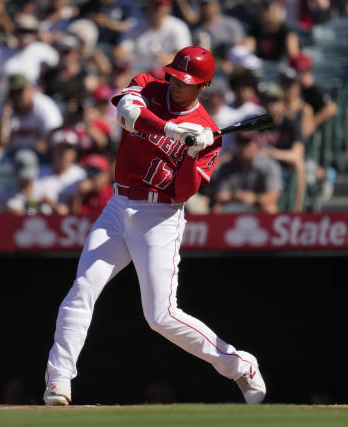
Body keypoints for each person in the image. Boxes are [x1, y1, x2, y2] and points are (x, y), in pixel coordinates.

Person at [43, 46, 266, 406]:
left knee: (160, 316)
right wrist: (173, 131)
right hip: (118, 205)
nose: (176, 84)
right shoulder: (148, 85)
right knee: (81, 290)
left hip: (159, 216)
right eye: (175, 76)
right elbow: (128, 115)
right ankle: (59, 381)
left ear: (203, 86)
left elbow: (182, 192)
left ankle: (240, 365)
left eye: (186, 81)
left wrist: (193, 155)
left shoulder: (211, 132)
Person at [0, 74, 63, 157]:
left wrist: (41, 145)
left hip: (38, 155)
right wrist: (4, 118)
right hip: (11, 154)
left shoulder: (44, 106)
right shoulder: (3, 108)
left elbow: (54, 136)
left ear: (29, 90)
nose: (17, 96)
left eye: (20, 92)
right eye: (13, 92)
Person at [113, 0, 191, 74]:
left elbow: (184, 56)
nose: (158, 9)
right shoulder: (134, 25)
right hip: (138, 74)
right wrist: (132, 61)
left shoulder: (179, 26)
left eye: (161, 5)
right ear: (149, 5)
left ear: (169, 7)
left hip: (166, 75)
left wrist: (167, 59)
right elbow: (119, 52)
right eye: (155, 4)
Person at [211, 131, 282, 213]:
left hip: (257, 206)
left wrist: (254, 198)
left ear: (256, 144)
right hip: (233, 204)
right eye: (240, 142)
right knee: (217, 209)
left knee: (270, 208)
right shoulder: (228, 165)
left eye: (247, 142)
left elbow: (273, 196)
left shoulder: (269, 165)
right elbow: (219, 195)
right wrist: (235, 196)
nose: (243, 146)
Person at [0, 13, 59, 86]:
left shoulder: (45, 50)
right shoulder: (2, 51)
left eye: (30, 31)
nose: (26, 35)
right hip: (5, 92)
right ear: (15, 32)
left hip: (31, 93)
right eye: (22, 31)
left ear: (36, 33)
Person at [0, 148, 43, 215]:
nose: (26, 180)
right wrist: (6, 209)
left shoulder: (43, 190)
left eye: (28, 177)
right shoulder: (7, 192)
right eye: (23, 178)